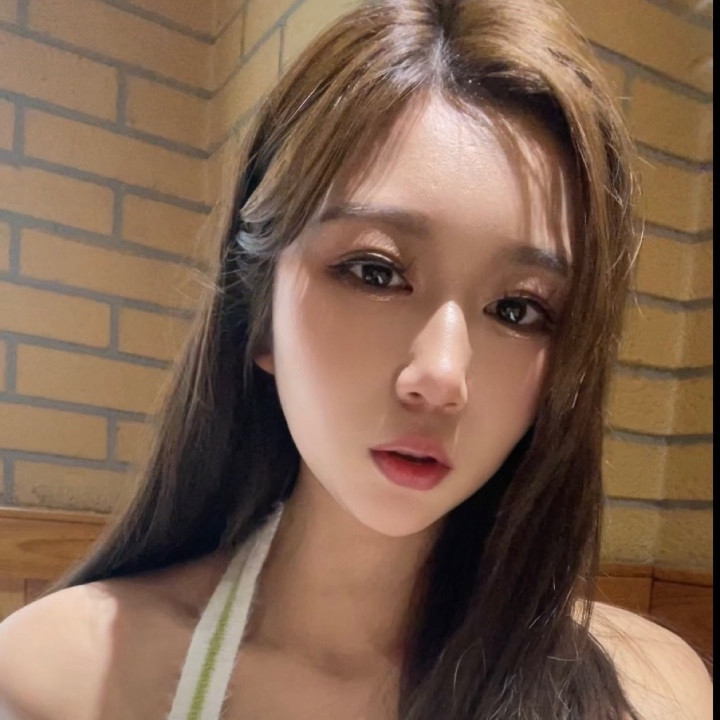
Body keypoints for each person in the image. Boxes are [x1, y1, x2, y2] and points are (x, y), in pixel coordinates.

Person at [0, 0, 712, 718]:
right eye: (376, 272)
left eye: (518, 310)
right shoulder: (59, 678)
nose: (441, 377)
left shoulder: (653, 694)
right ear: (259, 316)